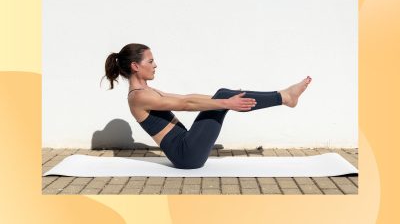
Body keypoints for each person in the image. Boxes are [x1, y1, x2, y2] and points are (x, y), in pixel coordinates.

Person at [102, 43, 312, 169]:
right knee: (223, 96)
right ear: (135, 66)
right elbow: (185, 104)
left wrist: (224, 99)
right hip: (186, 155)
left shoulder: (147, 91)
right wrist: (225, 102)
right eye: (150, 61)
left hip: (187, 148)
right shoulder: (137, 97)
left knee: (223, 93)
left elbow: (186, 96)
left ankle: (285, 96)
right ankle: (285, 97)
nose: (155, 64)